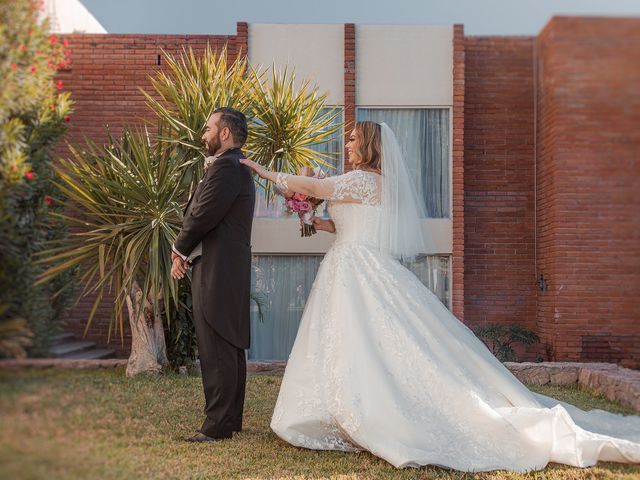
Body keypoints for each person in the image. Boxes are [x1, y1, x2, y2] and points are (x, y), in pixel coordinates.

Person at [239, 121, 640, 472]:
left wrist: (264, 171)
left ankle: (369, 411)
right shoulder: (366, 184)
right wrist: (310, 218)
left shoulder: (362, 180)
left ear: (369, 145)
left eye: (352, 139)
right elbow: (340, 223)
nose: (346, 145)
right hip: (350, 263)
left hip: (356, 269)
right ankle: (336, 409)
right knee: (353, 344)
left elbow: (315, 185)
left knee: (364, 343)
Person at [171, 107, 255, 442]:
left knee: (217, 343)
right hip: (224, 266)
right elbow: (206, 216)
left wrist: (178, 250)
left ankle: (218, 425)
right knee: (227, 345)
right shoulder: (233, 166)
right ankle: (229, 420)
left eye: (208, 128)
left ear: (224, 133)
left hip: (220, 269)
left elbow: (202, 215)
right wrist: (188, 254)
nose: (202, 134)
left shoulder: (226, 167)